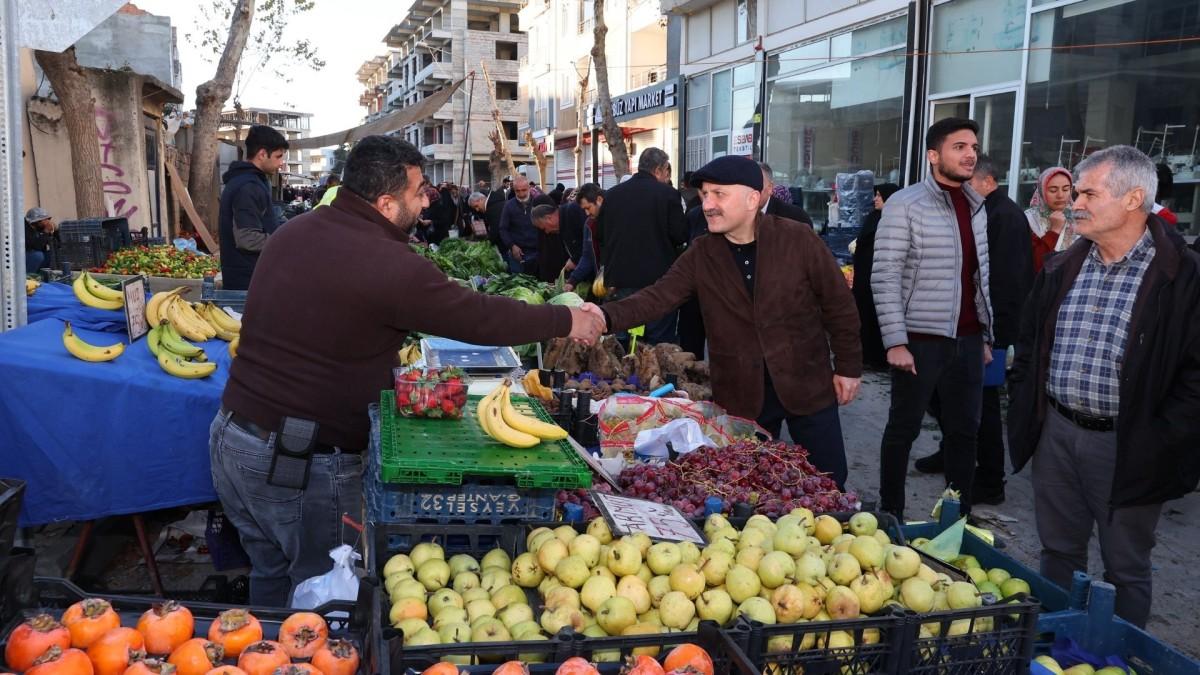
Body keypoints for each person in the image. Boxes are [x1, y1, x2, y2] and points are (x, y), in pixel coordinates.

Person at [211, 135, 607, 606]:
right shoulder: (386, 262)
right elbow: (478, 315)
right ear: (385, 202)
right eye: (419, 192)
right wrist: (567, 319)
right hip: (301, 465)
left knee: (271, 578)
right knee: (321, 595)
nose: (426, 201)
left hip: (233, 441)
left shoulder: (296, 232)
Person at [1008, 145, 1200, 628]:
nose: (1076, 203)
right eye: (1076, 192)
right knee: (1056, 552)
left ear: (1133, 198)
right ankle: (1056, 645)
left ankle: (1121, 654)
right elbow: (1029, 344)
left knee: (1125, 568)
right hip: (1056, 434)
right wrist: (1028, 403)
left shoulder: (1184, 276)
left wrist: (1163, 437)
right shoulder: (1063, 266)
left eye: (1089, 193)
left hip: (1131, 443)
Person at [597, 155, 862, 488]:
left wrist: (849, 367)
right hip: (741, 392)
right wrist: (604, 316)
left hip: (806, 381)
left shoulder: (798, 239)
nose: (707, 204)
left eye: (718, 195)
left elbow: (839, 305)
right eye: (705, 195)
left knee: (829, 478)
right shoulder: (702, 252)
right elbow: (657, 297)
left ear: (753, 198)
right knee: (747, 483)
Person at [872, 117, 994, 519]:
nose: (970, 154)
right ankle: (891, 513)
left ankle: (958, 516)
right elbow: (886, 274)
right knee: (903, 429)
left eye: (973, 146)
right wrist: (896, 341)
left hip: (969, 338)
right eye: (959, 146)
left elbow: (978, 275)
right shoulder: (905, 204)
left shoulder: (976, 205)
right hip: (920, 339)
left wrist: (985, 335)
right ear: (933, 155)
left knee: (964, 432)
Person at [914, 155, 1034, 505]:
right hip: (965, 327)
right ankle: (950, 452)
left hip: (991, 331)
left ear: (985, 180)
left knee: (982, 406)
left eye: (964, 183)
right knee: (952, 399)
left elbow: (1007, 284)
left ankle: (990, 480)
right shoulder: (984, 211)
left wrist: (995, 336)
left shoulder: (1004, 217)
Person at [595, 148, 687, 344]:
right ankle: (654, 375)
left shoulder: (612, 195)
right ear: (660, 169)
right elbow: (680, 235)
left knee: (623, 339)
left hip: (620, 279)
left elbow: (600, 235)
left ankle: (623, 374)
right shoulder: (668, 195)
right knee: (657, 341)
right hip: (657, 282)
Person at [219, 125, 289, 290]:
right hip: (248, 282)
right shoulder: (248, 187)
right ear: (262, 154)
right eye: (278, 157)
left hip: (250, 277)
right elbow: (247, 239)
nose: (281, 163)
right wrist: (286, 240)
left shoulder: (249, 182)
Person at [852, 183, 900, 370]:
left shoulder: (894, 220)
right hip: (864, 278)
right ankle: (865, 356)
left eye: (880, 195)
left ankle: (879, 358)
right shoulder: (874, 218)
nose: (875, 199)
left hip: (882, 279)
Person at [1027, 167, 1077, 274]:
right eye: (1053, 190)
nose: (1060, 195)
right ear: (1041, 191)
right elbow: (1035, 264)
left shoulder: (1079, 217)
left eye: (1065, 189)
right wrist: (1054, 231)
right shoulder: (1029, 219)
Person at [499, 176, 540, 274]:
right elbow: (503, 229)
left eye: (524, 190)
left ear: (529, 188)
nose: (521, 194)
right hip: (517, 254)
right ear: (514, 189)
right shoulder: (509, 205)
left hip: (537, 252)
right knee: (518, 284)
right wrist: (512, 245)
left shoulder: (538, 203)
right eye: (518, 191)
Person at [23, 207, 57, 273]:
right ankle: (28, 276)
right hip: (22, 258)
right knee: (37, 255)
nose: (48, 222)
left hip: (33, 256)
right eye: (45, 220)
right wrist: (46, 232)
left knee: (51, 254)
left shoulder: (39, 227)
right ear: (36, 221)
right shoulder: (24, 229)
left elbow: (56, 243)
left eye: (48, 219)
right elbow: (36, 246)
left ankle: (41, 275)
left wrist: (56, 231)